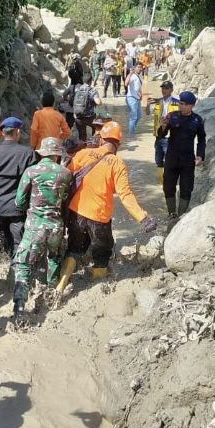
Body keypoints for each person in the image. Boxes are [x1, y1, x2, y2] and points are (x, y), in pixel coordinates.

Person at [55, 122, 156, 298]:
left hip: (75, 211)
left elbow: (65, 176)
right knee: (102, 253)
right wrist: (143, 218)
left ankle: (62, 283)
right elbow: (125, 195)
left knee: (74, 249)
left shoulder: (83, 154)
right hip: (99, 217)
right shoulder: (118, 164)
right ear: (119, 143)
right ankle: (97, 287)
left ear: (101, 139)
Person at [11, 137, 73, 317]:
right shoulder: (66, 173)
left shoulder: (31, 171)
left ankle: (20, 306)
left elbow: (19, 201)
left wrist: (28, 210)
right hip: (56, 226)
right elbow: (65, 200)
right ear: (57, 155)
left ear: (43, 153)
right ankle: (51, 293)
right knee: (53, 258)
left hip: (35, 226)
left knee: (24, 264)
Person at [0, 117, 36, 258]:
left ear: (2, 133)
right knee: (19, 241)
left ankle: (9, 262)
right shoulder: (27, 153)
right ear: (18, 131)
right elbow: (33, 182)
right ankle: (15, 270)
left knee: (6, 238)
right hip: (18, 207)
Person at [157, 91, 206, 218]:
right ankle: (171, 214)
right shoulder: (172, 116)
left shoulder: (197, 120)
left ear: (192, 106)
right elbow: (161, 135)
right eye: (180, 103)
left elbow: (201, 139)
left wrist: (200, 156)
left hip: (187, 161)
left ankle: (181, 216)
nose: (182, 106)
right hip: (171, 159)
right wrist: (162, 127)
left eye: (185, 104)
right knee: (168, 187)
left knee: (186, 189)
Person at [146, 80, 180, 185]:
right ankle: (162, 182)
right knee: (158, 160)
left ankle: (170, 181)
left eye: (166, 88)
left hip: (170, 136)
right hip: (159, 135)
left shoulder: (177, 103)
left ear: (171, 90)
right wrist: (147, 105)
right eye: (162, 88)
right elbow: (147, 113)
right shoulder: (157, 102)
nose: (164, 90)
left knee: (169, 159)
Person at [69, 74, 102, 142]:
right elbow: (98, 102)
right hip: (90, 118)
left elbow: (70, 99)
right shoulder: (92, 90)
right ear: (91, 81)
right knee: (97, 127)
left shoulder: (77, 89)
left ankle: (82, 147)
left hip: (78, 117)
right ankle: (94, 142)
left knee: (82, 137)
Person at [124, 62, 145, 135]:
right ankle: (131, 134)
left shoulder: (140, 76)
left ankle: (132, 130)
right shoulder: (132, 76)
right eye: (138, 67)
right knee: (133, 117)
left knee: (139, 116)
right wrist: (129, 74)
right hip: (131, 98)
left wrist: (141, 95)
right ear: (135, 68)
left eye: (141, 67)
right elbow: (126, 84)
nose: (140, 69)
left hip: (137, 98)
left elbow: (138, 87)